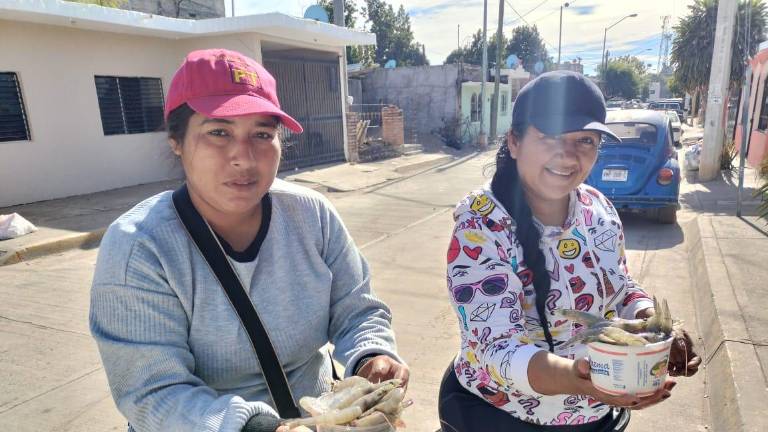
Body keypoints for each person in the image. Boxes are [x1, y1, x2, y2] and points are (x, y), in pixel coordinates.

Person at [89, 49, 409, 432]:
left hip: (322, 419)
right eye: (219, 132)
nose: (244, 158)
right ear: (177, 139)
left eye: (262, 134)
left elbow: (357, 310)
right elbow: (152, 392)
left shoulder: (311, 214)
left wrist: (371, 355)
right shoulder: (139, 247)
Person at [438, 71, 701, 431]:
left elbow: (620, 287)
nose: (568, 156)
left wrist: (654, 324)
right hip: (499, 416)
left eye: (586, 141)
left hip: (594, 413)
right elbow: (495, 348)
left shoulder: (599, 210)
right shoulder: (481, 222)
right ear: (514, 141)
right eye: (549, 138)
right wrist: (579, 379)